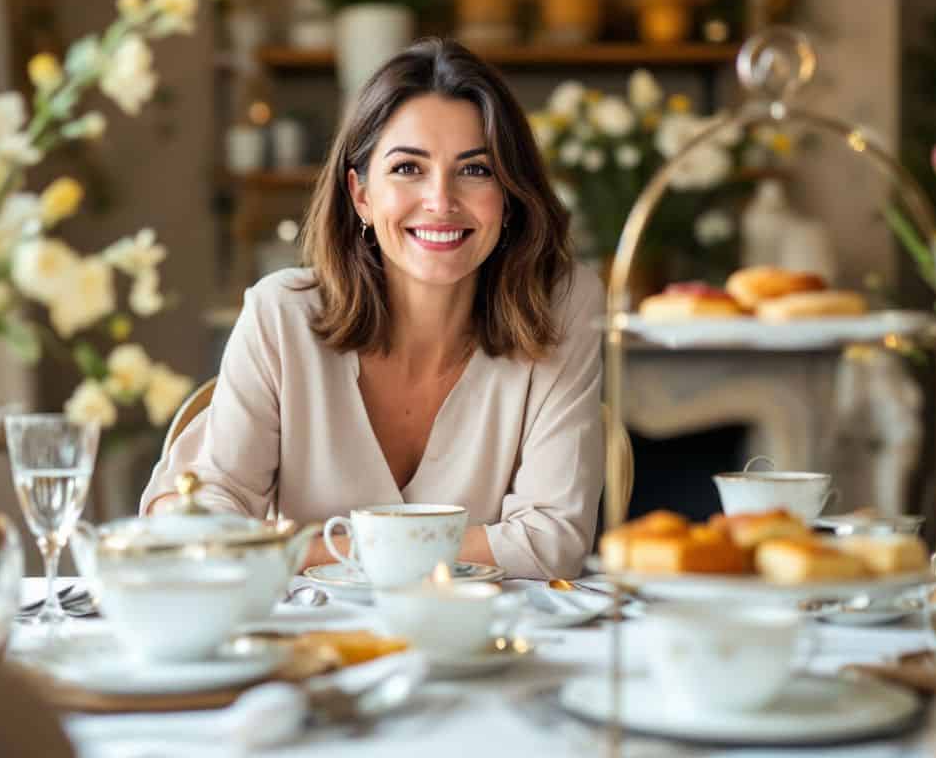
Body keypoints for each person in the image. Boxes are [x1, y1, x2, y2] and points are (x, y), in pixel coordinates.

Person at [141, 38, 604, 580]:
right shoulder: (280, 315)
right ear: (361, 194)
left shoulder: (562, 304)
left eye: (475, 170)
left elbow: (553, 543)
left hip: (481, 642)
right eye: (408, 168)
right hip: (313, 648)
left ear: (510, 194)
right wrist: (453, 549)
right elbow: (214, 529)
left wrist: (302, 549)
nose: (440, 200)